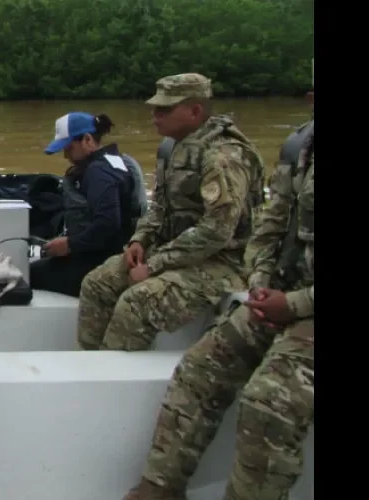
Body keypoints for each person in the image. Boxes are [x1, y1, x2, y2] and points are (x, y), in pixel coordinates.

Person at [123, 99, 314, 500]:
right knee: (199, 365)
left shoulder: (225, 154)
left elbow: (222, 229)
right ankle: (160, 487)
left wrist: (293, 305)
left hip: (301, 307)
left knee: (269, 399)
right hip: (278, 296)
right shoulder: (304, 149)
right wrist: (261, 283)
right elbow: (270, 226)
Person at [76, 73, 266, 351]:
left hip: (223, 263)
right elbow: (161, 206)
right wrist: (140, 239)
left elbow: (217, 231)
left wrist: (154, 265)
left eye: (164, 109)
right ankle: (92, 366)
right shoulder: (175, 148)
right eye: (155, 108)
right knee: (96, 284)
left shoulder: (223, 155)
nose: (154, 116)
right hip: (178, 253)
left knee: (137, 302)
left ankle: (115, 378)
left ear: (195, 110)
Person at [29, 112, 147, 297]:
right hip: (115, 252)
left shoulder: (98, 172)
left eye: (68, 148)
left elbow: (108, 223)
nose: (66, 155)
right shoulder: (115, 162)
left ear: (87, 139)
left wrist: (70, 244)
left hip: (101, 262)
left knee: (27, 275)